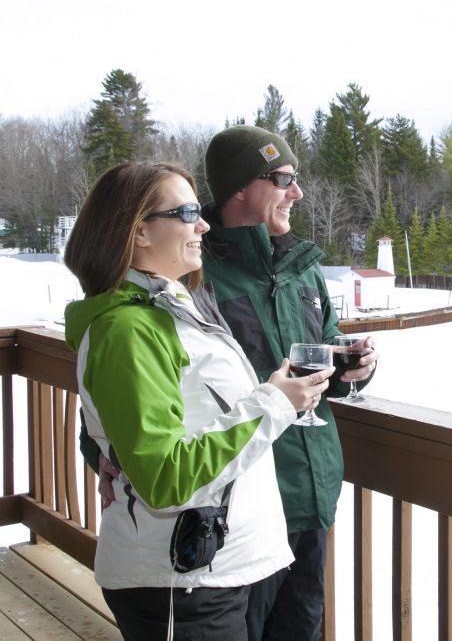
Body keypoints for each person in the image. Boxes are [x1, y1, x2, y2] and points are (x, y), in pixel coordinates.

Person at [63, 161, 333, 640]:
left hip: (215, 565)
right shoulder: (128, 330)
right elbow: (164, 475)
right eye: (187, 212)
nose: (202, 224)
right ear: (140, 232)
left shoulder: (173, 308)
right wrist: (274, 403)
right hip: (179, 578)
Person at [201, 125, 379, 640]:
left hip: (314, 494)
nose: (297, 193)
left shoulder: (304, 268)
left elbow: (324, 343)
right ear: (240, 187)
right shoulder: (200, 274)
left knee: (300, 629)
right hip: (245, 501)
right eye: (283, 179)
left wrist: (353, 370)